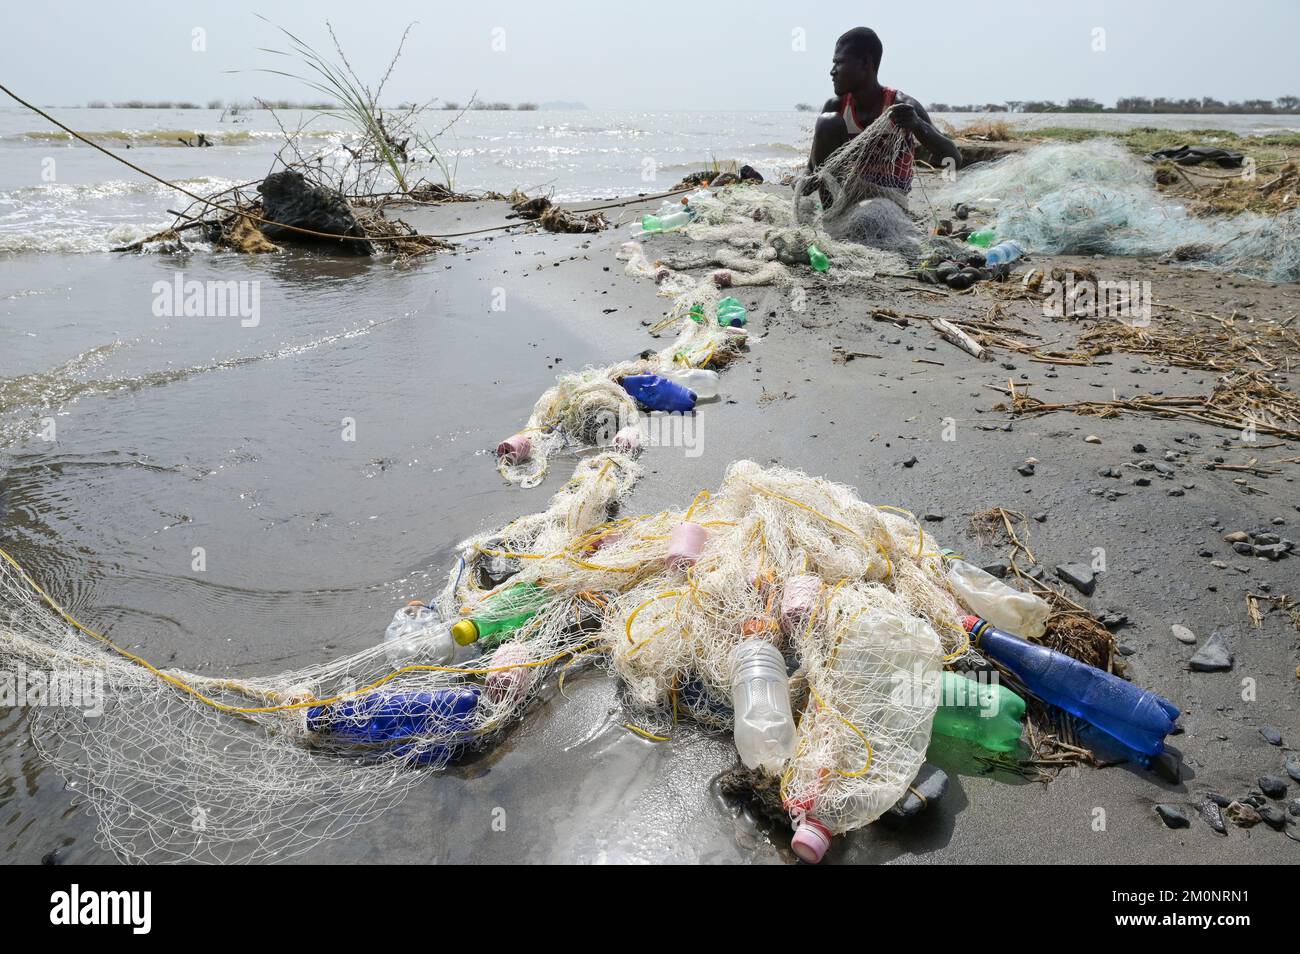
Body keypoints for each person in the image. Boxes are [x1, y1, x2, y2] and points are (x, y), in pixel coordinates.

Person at [807, 27, 961, 191]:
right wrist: (804, 182)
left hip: (889, 200)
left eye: (839, 62)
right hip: (846, 199)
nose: (832, 71)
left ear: (865, 63)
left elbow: (953, 159)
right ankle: (832, 215)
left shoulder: (901, 106)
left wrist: (917, 125)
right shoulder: (836, 107)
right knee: (827, 122)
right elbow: (811, 169)